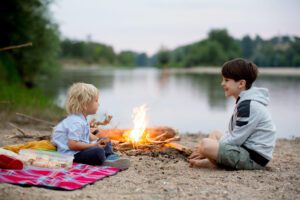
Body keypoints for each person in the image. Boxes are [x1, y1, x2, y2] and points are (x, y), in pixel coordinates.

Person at [189, 58, 276, 170]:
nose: (222, 83)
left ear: (241, 83)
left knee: (205, 144)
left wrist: (204, 150)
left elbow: (236, 140)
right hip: (245, 150)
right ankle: (214, 161)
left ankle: (214, 163)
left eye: (226, 80)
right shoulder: (244, 102)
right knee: (214, 134)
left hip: (253, 158)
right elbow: (234, 134)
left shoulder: (249, 105)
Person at [52, 82, 130, 170]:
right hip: (71, 155)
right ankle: (105, 159)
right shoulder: (76, 122)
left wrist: (99, 141)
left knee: (105, 141)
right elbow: (73, 145)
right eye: (96, 101)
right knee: (98, 152)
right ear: (85, 104)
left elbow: (88, 135)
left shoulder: (81, 119)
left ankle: (109, 157)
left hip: (79, 150)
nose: (98, 104)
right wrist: (94, 146)